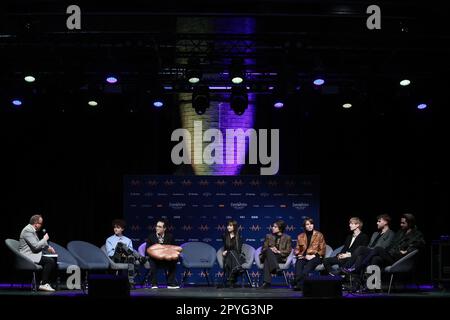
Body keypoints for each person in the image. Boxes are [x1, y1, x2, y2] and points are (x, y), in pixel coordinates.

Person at [344, 213, 425, 274]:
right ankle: (370, 286)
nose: (401, 225)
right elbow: (392, 245)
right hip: (391, 256)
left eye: (403, 223)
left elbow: (419, 244)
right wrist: (389, 251)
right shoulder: (400, 233)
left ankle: (352, 267)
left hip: (400, 259)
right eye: (401, 222)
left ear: (410, 223)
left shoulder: (416, 234)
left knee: (377, 249)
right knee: (375, 258)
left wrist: (407, 251)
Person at [19, 214, 57, 292]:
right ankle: (44, 283)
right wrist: (45, 239)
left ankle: (44, 282)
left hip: (32, 254)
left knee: (51, 260)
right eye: (40, 223)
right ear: (36, 223)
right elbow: (36, 246)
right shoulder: (27, 230)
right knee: (49, 261)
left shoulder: (32, 230)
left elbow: (37, 243)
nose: (41, 225)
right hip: (27, 256)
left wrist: (48, 248)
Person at [292, 217, 326, 290]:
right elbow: (297, 249)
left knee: (307, 267)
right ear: (304, 226)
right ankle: (299, 285)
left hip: (316, 257)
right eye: (307, 224)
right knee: (299, 263)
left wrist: (313, 255)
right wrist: (299, 254)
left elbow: (322, 249)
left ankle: (295, 281)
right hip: (304, 256)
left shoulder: (319, 235)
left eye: (311, 224)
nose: (310, 225)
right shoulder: (300, 236)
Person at [146, 219, 179, 289]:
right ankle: (154, 284)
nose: (157, 228)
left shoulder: (170, 236)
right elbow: (147, 250)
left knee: (175, 259)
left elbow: (174, 248)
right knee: (152, 260)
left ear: (164, 228)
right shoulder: (151, 237)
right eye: (156, 226)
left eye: (159, 227)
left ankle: (170, 283)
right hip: (155, 259)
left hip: (166, 259)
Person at [259, 220, 292, 289]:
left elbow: (288, 251)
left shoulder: (287, 237)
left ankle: (266, 283)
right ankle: (276, 269)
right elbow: (263, 249)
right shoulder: (268, 236)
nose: (272, 228)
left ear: (280, 228)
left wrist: (278, 251)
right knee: (268, 250)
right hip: (267, 254)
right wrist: (271, 249)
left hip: (279, 256)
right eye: (273, 226)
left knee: (267, 260)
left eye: (275, 227)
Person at [105, 219, 139, 286]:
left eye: (118, 227)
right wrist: (120, 250)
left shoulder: (128, 240)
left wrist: (125, 254)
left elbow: (130, 251)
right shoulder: (109, 239)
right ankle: (140, 258)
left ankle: (131, 282)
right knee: (120, 244)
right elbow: (109, 253)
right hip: (114, 259)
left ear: (122, 229)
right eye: (114, 227)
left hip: (125, 258)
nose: (115, 229)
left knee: (131, 258)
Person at [222, 220, 245, 287]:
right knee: (230, 254)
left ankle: (230, 280)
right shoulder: (224, 236)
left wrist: (228, 251)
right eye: (228, 225)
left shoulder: (239, 236)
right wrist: (226, 251)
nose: (228, 227)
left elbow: (238, 249)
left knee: (232, 252)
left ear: (234, 227)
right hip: (228, 256)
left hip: (238, 256)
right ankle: (238, 268)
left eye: (230, 225)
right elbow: (226, 247)